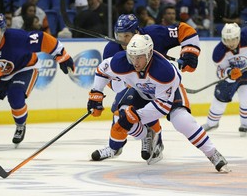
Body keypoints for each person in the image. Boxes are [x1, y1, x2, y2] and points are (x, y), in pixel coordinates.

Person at [87, 33, 230, 173]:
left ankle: (213, 154)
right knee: (121, 116)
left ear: (149, 54)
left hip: (170, 95)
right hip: (142, 91)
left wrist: (136, 116)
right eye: (132, 56)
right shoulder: (121, 61)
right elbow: (102, 69)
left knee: (182, 121)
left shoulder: (164, 72)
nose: (135, 62)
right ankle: (147, 135)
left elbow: (162, 106)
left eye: (139, 57)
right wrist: (96, 94)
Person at [99, 13, 201, 164]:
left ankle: (156, 138)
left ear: (136, 33)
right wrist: (127, 80)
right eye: (119, 35)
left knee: (170, 114)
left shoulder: (155, 34)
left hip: (161, 84)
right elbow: (111, 81)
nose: (122, 40)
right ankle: (115, 147)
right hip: (136, 85)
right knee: (120, 110)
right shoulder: (111, 50)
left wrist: (190, 52)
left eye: (126, 35)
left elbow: (184, 30)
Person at [0, 13, 74, 147]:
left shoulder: (18, 38)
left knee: (15, 95)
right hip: (3, 75)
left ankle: (20, 125)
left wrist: (62, 56)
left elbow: (43, 38)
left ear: (3, 30)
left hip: (25, 68)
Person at [202, 23, 247, 137]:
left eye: (233, 39)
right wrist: (229, 73)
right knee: (221, 96)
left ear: (239, 37)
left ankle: (245, 124)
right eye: (227, 40)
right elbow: (219, 72)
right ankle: (212, 123)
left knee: (245, 96)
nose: (230, 43)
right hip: (232, 76)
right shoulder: (219, 52)